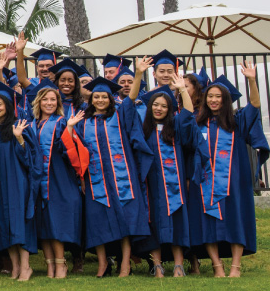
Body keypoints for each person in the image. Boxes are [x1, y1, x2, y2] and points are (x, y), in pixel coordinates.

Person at [63, 77, 152, 278]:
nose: (101, 100)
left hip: (123, 179)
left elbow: (130, 100)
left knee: (126, 219)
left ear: (111, 99)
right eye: (97, 97)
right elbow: (73, 150)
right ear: (91, 99)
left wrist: (138, 74)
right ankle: (103, 264)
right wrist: (69, 128)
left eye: (104, 96)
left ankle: (125, 265)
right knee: (98, 222)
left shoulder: (119, 116)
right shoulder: (83, 121)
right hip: (95, 181)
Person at [183, 65, 266, 278]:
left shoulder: (236, 122)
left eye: (218, 96)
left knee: (236, 219)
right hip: (205, 182)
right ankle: (217, 266)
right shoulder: (198, 124)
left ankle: (235, 268)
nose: (214, 100)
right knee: (207, 222)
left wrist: (251, 80)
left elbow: (255, 105)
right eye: (210, 96)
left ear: (225, 99)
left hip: (234, 182)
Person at [23, 81, 83, 279]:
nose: (49, 103)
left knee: (56, 223)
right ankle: (50, 266)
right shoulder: (30, 124)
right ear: (38, 102)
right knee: (43, 225)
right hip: (36, 180)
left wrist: (69, 131)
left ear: (57, 103)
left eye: (53, 100)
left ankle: (61, 264)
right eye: (45, 100)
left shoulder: (62, 122)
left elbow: (68, 152)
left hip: (57, 179)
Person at [0, 82, 37, 281]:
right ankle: (15, 267)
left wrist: (20, 139)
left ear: (7, 105)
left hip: (16, 182)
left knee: (19, 223)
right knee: (5, 223)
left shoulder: (19, 125)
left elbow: (29, 157)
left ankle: (26, 267)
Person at [138, 84, 193, 277]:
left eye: (164, 106)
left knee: (177, 222)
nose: (159, 108)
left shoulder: (176, 126)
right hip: (152, 185)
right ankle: (157, 266)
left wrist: (183, 90)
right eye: (155, 105)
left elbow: (188, 113)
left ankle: (179, 265)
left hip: (174, 185)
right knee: (154, 223)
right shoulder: (144, 129)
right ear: (150, 106)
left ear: (170, 109)